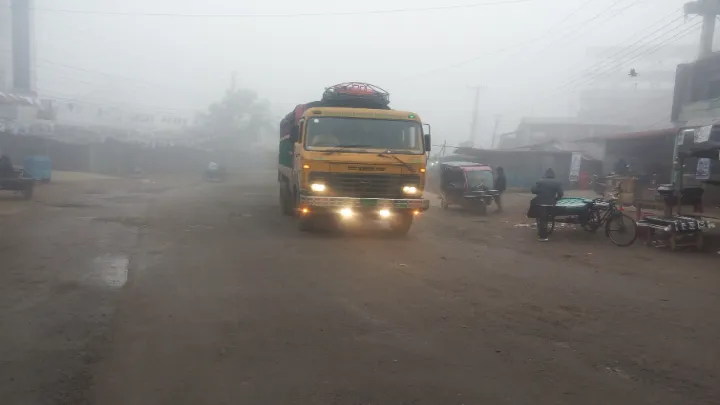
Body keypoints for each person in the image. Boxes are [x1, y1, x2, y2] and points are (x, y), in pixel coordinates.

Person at [531, 168, 564, 242]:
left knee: (542, 219)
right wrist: (556, 199)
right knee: (548, 217)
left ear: (545, 175)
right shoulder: (557, 183)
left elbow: (533, 190)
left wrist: (539, 191)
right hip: (551, 204)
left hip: (540, 203)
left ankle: (543, 237)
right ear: (553, 175)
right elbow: (561, 194)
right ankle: (546, 229)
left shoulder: (540, 181)